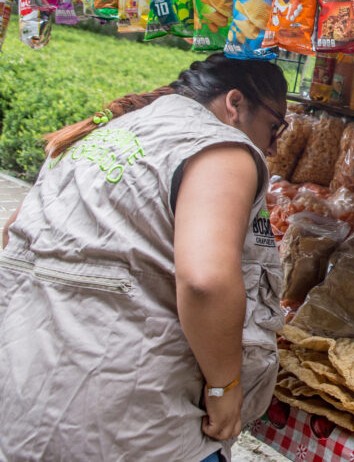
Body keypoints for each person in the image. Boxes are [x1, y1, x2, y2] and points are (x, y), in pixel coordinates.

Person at [0, 54, 288, 461]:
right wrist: (226, 388)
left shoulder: (100, 132)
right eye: (275, 127)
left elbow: (13, 234)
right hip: (132, 426)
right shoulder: (222, 147)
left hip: (25, 401)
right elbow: (206, 280)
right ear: (235, 104)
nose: (274, 146)